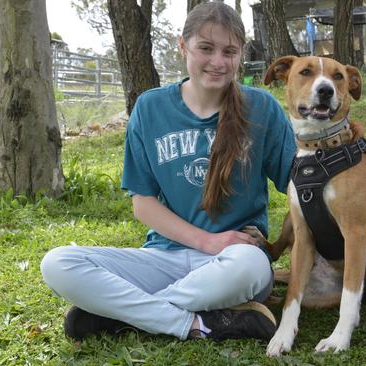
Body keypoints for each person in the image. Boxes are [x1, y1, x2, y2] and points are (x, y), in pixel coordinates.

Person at [40, 2, 295, 342]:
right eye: (206, 48)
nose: (218, 62)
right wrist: (207, 241)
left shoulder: (262, 108)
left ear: (240, 55)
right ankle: (195, 323)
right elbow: (142, 203)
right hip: (165, 256)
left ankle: (123, 316)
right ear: (182, 46)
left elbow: (298, 184)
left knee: (250, 267)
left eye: (229, 52)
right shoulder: (151, 107)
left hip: (237, 259)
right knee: (58, 263)